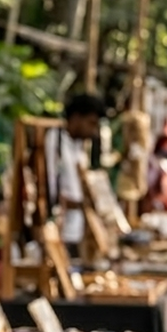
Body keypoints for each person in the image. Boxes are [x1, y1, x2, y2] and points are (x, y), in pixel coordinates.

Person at [44, 94, 107, 257]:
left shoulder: (78, 145)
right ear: (76, 118)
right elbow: (49, 184)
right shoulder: (55, 141)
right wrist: (77, 204)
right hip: (59, 227)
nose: (93, 130)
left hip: (76, 229)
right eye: (91, 123)